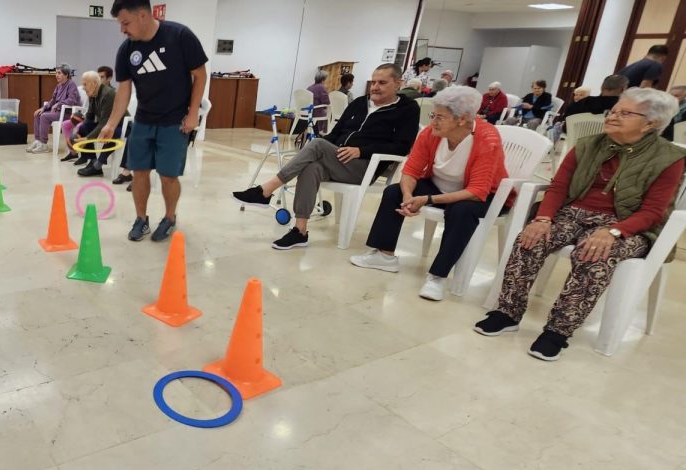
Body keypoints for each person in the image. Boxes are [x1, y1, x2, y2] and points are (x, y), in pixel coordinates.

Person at [474, 88, 685, 361]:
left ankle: (558, 332)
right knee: (531, 239)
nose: (613, 116)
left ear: (651, 123)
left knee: (594, 256)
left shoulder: (668, 158)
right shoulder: (588, 143)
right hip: (574, 211)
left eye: (625, 113)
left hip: (629, 224)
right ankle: (508, 312)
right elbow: (559, 186)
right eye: (614, 110)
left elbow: (654, 211)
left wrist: (613, 231)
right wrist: (543, 218)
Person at [231, 63, 420, 250]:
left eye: (382, 83)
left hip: (364, 167)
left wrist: (362, 151)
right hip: (339, 159)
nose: (375, 87)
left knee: (318, 145)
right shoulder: (359, 103)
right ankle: (300, 231)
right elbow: (335, 134)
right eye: (373, 82)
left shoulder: (408, 109)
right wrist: (321, 146)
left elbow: (402, 146)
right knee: (311, 166)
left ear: (398, 83)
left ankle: (265, 191)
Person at [349, 87, 510, 301]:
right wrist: (408, 196)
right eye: (433, 115)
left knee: (461, 211)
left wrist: (428, 199)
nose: (433, 121)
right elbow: (411, 170)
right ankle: (384, 255)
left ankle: (437, 277)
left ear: (462, 119)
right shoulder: (431, 133)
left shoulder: (487, 137)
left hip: (484, 195)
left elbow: (477, 190)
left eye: (440, 117)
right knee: (393, 192)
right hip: (439, 186)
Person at [98, 0, 209, 243]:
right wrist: (110, 123)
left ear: (142, 16)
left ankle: (169, 218)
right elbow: (124, 91)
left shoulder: (180, 36)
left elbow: (200, 75)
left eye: (125, 23)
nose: (122, 30)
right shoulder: (127, 50)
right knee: (139, 173)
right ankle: (141, 219)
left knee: (168, 176)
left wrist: (193, 113)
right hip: (144, 120)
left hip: (174, 121)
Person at [76, 71, 127, 177]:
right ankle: (93, 160)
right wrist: (78, 130)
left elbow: (105, 122)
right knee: (84, 127)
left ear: (94, 83)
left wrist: (88, 138)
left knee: (109, 133)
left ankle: (98, 165)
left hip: (122, 125)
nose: (83, 87)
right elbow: (89, 116)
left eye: (85, 84)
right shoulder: (92, 94)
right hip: (108, 124)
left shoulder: (108, 94)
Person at [28, 64, 81, 154]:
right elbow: (52, 100)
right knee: (38, 114)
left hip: (67, 114)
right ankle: (38, 141)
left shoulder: (71, 85)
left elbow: (71, 100)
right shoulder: (59, 86)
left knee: (44, 116)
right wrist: (43, 108)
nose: (56, 75)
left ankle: (44, 145)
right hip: (58, 112)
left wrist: (58, 104)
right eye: (56, 73)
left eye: (59, 73)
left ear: (66, 75)